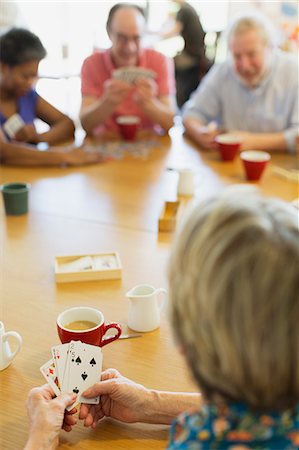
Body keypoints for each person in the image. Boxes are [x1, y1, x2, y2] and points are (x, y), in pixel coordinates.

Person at [25, 186, 299, 449]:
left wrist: (39, 440)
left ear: (186, 344)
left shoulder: (196, 442)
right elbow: (253, 410)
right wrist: (150, 404)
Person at [183, 13, 299, 153]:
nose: (244, 65)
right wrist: (200, 132)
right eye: (237, 56)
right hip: (229, 167)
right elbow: (191, 113)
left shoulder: (294, 72)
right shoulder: (223, 70)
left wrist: (253, 142)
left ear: (270, 48)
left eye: (252, 54)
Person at [0, 28, 102, 166]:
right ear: (3, 67)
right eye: (25, 76)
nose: (30, 82)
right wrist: (65, 156)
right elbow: (4, 152)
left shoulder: (27, 96)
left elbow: (67, 125)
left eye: (33, 76)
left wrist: (38, 138)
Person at [80, 3, 176, 137]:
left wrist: (149, 104)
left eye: (136, 38)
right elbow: (85, 124)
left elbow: (170, 123)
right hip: (107, 144)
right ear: (109, 33)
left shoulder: (159, 60)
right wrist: (107, 102)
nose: (129, 48)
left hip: (150, 146)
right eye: (122, 38)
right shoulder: (92, 64)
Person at [161, 0, 210, 108]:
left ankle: (172, 103)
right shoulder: (189, 8)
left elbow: (173, 32)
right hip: (198, 54)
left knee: (165, 64)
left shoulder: (183, 10)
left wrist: (156, 34)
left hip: (191, 56)